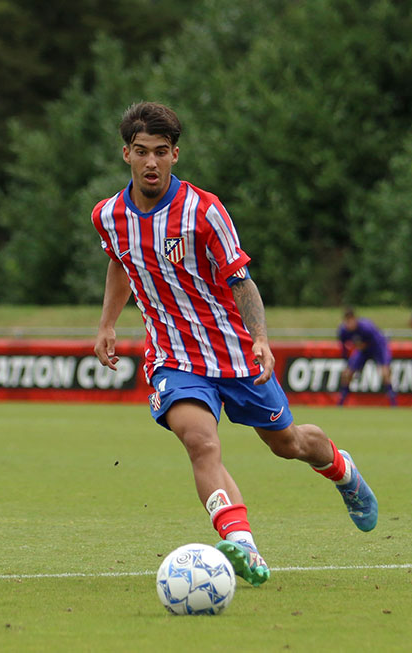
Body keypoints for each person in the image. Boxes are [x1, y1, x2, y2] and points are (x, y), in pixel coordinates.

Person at [91, 102, 377, 588]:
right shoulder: (108, 216)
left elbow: (242, 283)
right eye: (142, 152)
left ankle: (343, 469)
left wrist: (262, 340)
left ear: (175, 155)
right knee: (201, 442)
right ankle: (241, 544)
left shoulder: (205, 210)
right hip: (173, 357)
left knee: (287, 444)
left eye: (161, 152)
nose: (151, 163)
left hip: (234, 353)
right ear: (126, 154)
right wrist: (107, 324)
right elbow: (120, 262)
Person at [337, 308, 396, 406]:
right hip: (362, 351)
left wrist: (383, 363)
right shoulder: (343, 330)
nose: (349, 324)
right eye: (347, 321)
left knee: (385, 373)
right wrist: (347, 362)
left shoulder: (366, 327)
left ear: (355, 319)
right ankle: (341, 403)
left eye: (351, 321)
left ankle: (393, 403)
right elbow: (343, 348)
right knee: (347, 374)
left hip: (378, 349)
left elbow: (379, 344)